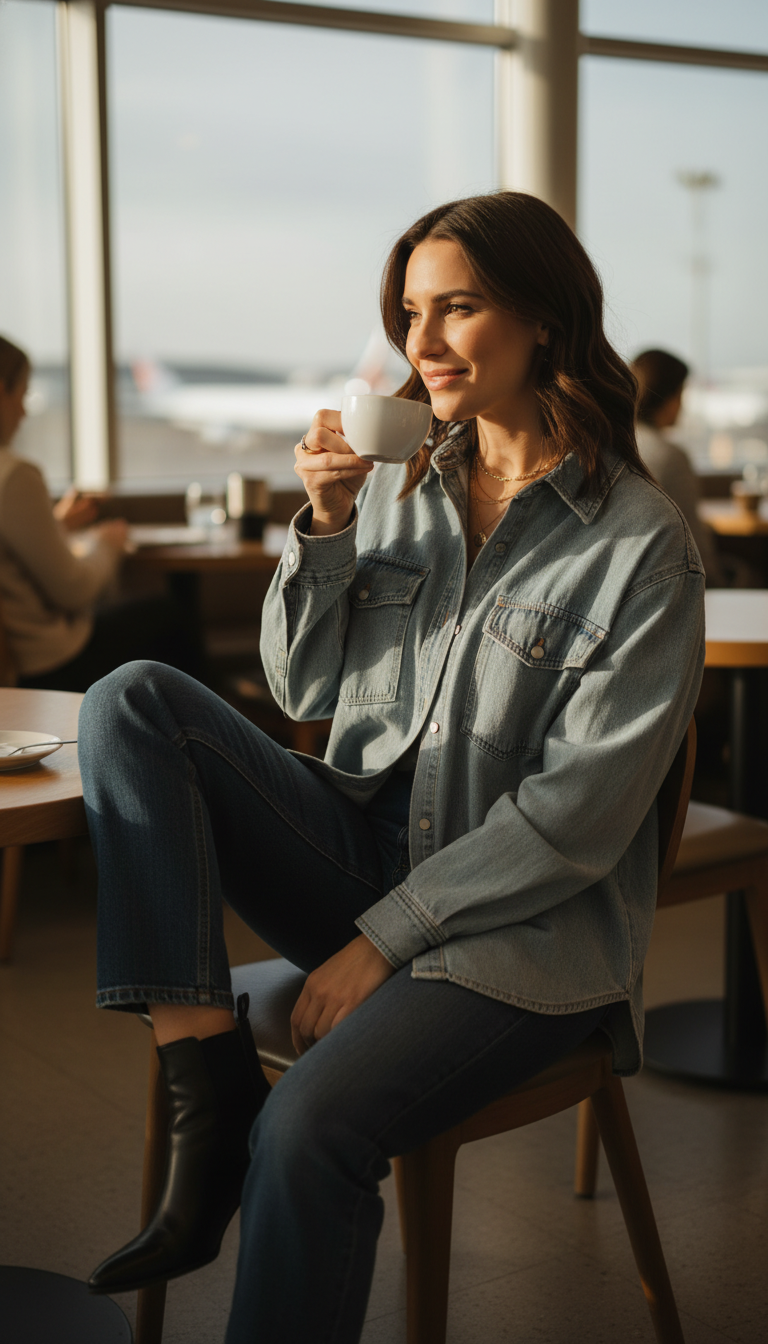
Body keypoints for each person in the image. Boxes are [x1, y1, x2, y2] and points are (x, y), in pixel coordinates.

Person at [79, 193, 705, 1344]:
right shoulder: (402, 486)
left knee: (313, 1127)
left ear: (544, 322)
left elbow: (577, 819)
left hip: (527, 938)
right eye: (410, 312)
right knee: (131, 702)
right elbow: (303, 695)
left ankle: (251, 1124)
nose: (420, 343)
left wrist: (387, 937)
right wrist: (322, 525)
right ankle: (205, 1083)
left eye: (456, 308)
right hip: (364, 859)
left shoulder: (640, 544)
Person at [0, 335, 201, 689]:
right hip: (46, 661)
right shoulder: (14, 475)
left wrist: (56, 524)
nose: (24, 410)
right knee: (170, 615)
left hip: (17, 659)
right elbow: (72, 591)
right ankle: (221, 738)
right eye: (22, 394)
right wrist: (105, 543)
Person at [632, 347, 724, 585]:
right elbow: (697, 547)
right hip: (672, 585)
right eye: (682, 394)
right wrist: (718, 581)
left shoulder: (607, 445)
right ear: (670, 398)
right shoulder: (671, 457)